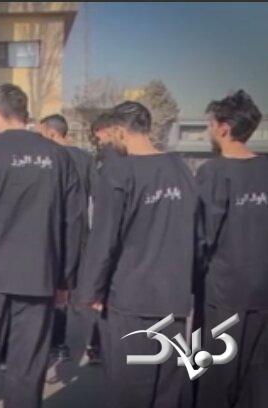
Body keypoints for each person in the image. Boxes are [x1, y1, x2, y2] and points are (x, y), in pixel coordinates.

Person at [0, 84, 84, 408]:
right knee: (27, 370)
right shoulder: (58, 156)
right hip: (38, 276)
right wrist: (65, 278)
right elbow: (74, 222)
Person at [77, 101, 198, 408]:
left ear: (120, 130)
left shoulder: (119, 172)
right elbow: (195, 232)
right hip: (174, 300)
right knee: (166, 390)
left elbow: (104, 239)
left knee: (128, 391)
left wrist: (91, 291)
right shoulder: (180, 168)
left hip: (131, 300)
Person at [196, 90, 267, 408]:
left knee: (216, 381)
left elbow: (202, 236)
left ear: (224, 128)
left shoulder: (213, 172)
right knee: (257, 383)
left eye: (210, 125)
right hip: (263, 294)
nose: (208, 131)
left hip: (225, 295)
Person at [38, 114, 94, 365]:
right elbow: (95, 197)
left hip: (49, 231)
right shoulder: (85, 158)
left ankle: (49, 342)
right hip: (78, 233)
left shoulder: (48, 157)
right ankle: (62, 344)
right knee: (67, 290)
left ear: (51, 133)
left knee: (49, 289)